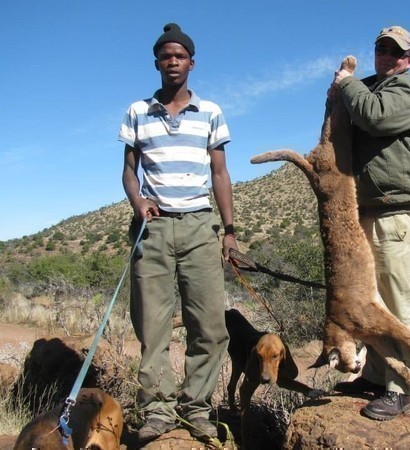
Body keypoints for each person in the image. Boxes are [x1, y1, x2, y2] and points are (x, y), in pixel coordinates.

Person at [119, 23, 238, 442]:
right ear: (157, 62)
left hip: (200, 226)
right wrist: (138, 202)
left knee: (208, 325)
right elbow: (129, 172)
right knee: (151, 326)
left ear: (191, 62)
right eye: (166, 56)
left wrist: (229, 230)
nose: (173, 62)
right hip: (152, 227)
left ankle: (196, 408)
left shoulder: (211, 112)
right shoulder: (137, 111)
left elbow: (220, 173)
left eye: (180, 56)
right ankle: (157, 410)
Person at [331, 25, 410, 420]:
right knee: (370, 303)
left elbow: (374, 118)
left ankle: (401, 386)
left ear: (409, 59)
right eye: (381, 49)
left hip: (392, 215)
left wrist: (347, 83)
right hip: (367, 213)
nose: (387, 56)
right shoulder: (370, 88)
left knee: (393, 300)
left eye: (395, 52)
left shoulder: (404, 91)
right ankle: (375, 374)